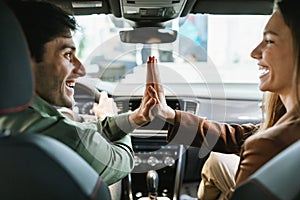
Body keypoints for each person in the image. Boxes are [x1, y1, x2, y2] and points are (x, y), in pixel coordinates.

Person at [145, 0, 300, 199]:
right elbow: (243, 137)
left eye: (269, 41)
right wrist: (171, 115)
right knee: (216, 160)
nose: (254, 53)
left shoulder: (266, 145)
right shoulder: (281, 126)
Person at [0, 0, 156, 186]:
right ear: (23, 59)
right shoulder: (68, 140)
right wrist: (110, 115)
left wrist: (134, 119)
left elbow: (81, 131)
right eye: (67, 55)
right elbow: (121, 161)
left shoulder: (19, 121)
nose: (81, 70)